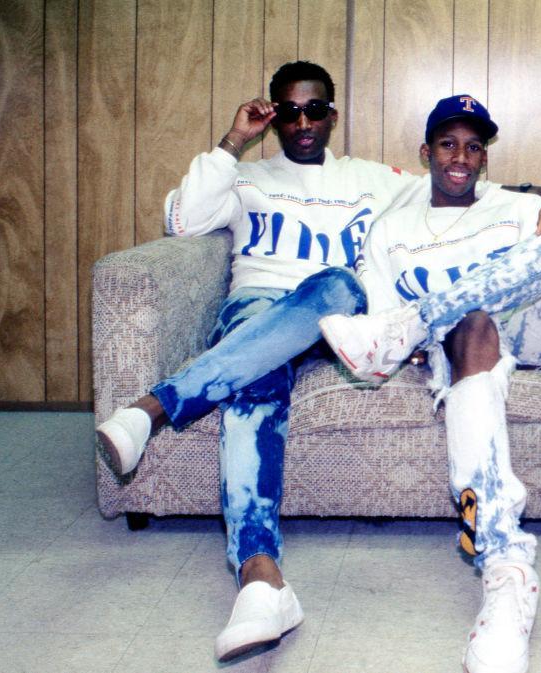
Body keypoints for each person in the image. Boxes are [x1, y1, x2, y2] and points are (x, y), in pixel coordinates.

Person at [95, 60, 432, 662]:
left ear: (333, 114)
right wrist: (233, 142)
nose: (304, 122)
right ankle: (260, 577)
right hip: (256, 310)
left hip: (333, 317)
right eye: (290, 111)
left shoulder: (371, 179)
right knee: (254, 378)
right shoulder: (248, 179)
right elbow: (182, 220)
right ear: (274, 116)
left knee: (336, 283)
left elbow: (458, 187)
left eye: (315, 110)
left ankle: (155, 407)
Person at [317, 94, 541, 673]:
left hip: (536, 328)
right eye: (449, 144)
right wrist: (431, 335)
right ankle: (506, 568)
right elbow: (376, 300)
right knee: (472, 323)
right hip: (465, 344)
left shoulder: (515, 208)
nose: (461, 158)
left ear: (485, 159)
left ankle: (411, 325)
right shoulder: (392, 231)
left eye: (474, 147)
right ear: (426, 153)